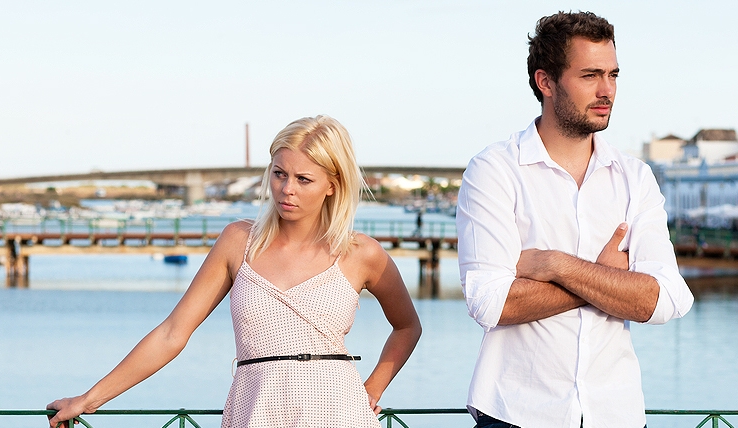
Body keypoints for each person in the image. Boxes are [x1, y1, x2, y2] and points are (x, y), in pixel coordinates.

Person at [47, 115, 422, 428]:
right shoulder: (238, 242)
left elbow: (407, 326)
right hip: (254, 412)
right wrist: (89, 399)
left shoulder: (361, 254)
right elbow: (172, 333)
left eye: (303, 179)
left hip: (339, 413)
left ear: (332, 185)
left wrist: (372, 388)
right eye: (279, 174)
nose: (286, 189)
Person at [456, 11, 693, 428]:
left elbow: (664, 300)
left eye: (613, 75)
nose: (607, 90)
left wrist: (557, 266)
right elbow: (492, 303)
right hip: (516, 412)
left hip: (615, 413)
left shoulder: (635, 178)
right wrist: (608, 279)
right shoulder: (494, 170)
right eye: (589, 75)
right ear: (545, 82)